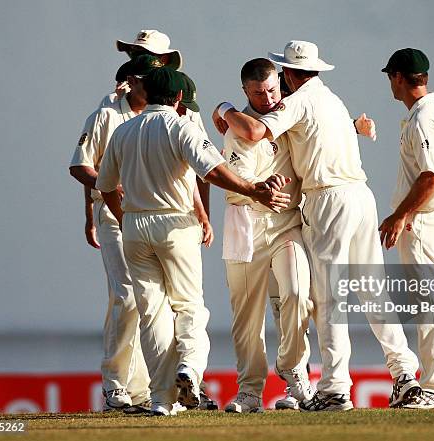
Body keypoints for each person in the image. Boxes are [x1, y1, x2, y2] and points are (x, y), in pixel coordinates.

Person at [213, 40, 433, 411]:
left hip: (328, 200)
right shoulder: (332, 98)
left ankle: (334, 389)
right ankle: (405, 375)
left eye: (282, 76)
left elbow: (252, 133)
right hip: (360, 196)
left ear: (290, 74)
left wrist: (224, 108)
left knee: (329, 299)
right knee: (372, 289)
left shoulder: (296, 101)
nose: (278, 85)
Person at [96, 66, 291, 416]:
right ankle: (189, 368)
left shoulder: (123, 131)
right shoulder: (182, 126)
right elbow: (213, 172)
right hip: (175, 225)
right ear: (179, 98)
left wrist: (125, 219)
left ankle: (160, 399)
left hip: (135, 227)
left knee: (152, 312)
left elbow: (106, 186)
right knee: (189, 306)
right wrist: (253, 191)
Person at [220, 58, 314, 413]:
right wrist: (260, 187)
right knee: (247, 314)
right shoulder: (236, 130)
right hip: (245, 225)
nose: (267, 97)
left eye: (273, 89)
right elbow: (234, 183)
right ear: (245, 91)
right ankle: (249, 392)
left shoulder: (287, 114)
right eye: (258, 93)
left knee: (296, 292)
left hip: (285, 224)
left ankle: (293, 371)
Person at [378, 48, 434, 408]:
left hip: (424, 221)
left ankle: (433, 388)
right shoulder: (430, 115)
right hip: (432, 218)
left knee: (430, 304)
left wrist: (400, 215)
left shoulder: (425, 119)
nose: (390, 83)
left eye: (390, 76)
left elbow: (431, 177)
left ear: (399, 77)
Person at [69, 56, 161, 413]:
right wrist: (95, 210)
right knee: (126, 296)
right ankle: (114, 384)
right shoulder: (106, 114)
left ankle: (140, 390)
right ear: (133, 82)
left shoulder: (159, 114)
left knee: (148, 300)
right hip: (113, 213)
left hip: (151, 217)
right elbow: (82, 165)